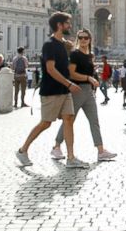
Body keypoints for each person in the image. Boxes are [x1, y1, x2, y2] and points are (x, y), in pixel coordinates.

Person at [15, 12, 85, 169]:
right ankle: (22, 150)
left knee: (68, 119)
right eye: (67, 23)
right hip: (52, 90)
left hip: (64, 90)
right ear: (59, 25)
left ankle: (71, 157)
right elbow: (51, 69)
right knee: (45, 123)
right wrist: (69, 84)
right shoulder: (49, 45)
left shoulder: (62, 44)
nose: (70, 26)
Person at [49, 30, 117, 162]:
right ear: (78, 39)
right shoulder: (75, 54)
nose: (84, 40)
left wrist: (92, 79)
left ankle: (101, 150)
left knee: (94, 121)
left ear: (90, 39)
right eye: (81, 38)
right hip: (77, 90)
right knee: (69, 120)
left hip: (88, 92)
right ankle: (56, 146)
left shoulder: (90, 55)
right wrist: (89, 78)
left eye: (86, 38)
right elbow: (71, 73)